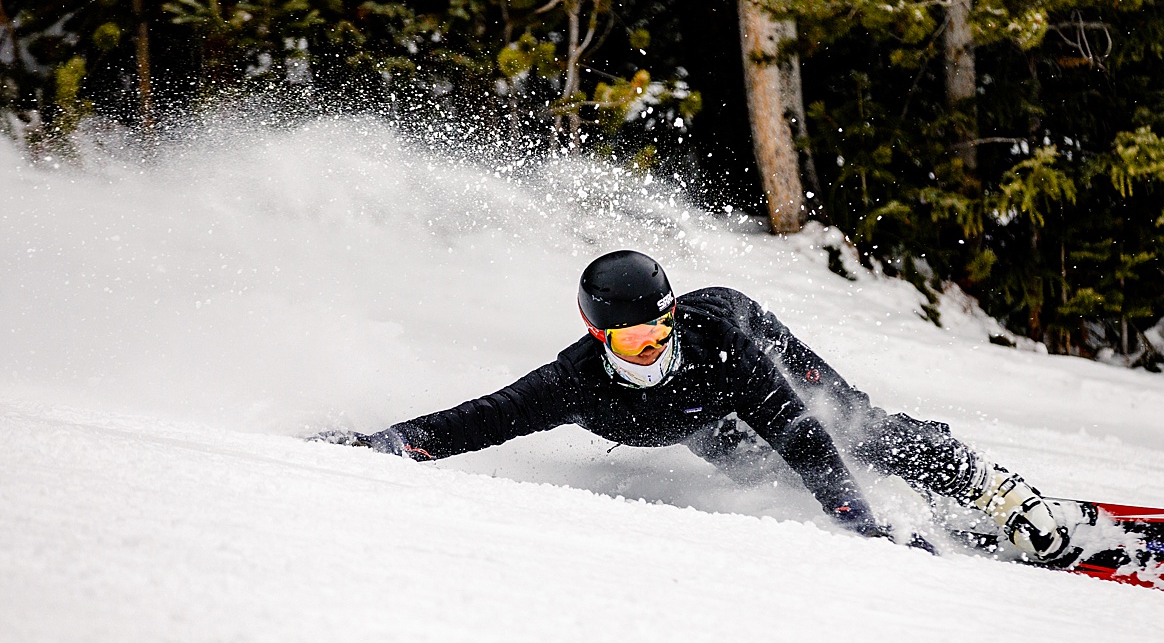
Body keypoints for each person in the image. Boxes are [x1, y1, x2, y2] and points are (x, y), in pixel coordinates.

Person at [312, 250, 1066, 559]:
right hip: (698, 421)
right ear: (596, 334)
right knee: (754, 471)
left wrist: (859, 525)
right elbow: (479, 420)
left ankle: (988, 487)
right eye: (631, 338)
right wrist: (384, 443)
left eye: (658, 330)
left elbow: (803, 437)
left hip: (748, 331)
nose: (650, 348)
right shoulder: (574, 383)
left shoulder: (719, 351)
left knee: (852, 430)